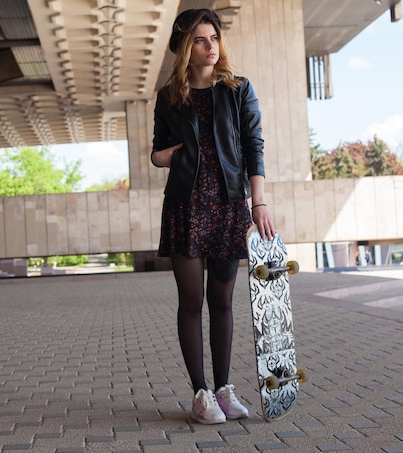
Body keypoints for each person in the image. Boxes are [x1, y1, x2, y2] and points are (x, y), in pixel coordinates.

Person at [151, 9, 275, 424]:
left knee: (222, 301)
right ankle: (200, 394)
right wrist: (172, 155)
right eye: (201, 40)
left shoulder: (238, 89)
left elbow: (254, 146)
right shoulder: (170, 96)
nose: (210, 47)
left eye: (214, 38)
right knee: (192, 301)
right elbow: (156, 152)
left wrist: (258, 204)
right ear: (187, 46)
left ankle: (224, 390)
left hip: (226, 205)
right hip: (185, 207)